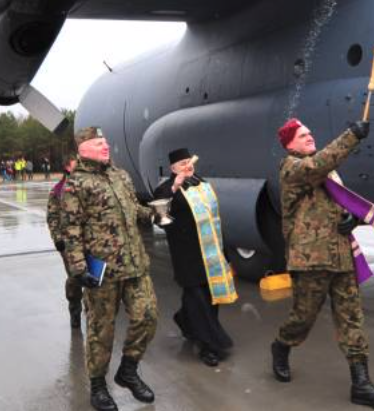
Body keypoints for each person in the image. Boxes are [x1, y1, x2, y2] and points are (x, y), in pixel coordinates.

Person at [270, 118, 374, 410]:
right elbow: (318, 165)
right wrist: (352, 135)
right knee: (303, 318)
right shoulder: (292, 168)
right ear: (289, 144)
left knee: (352, 318)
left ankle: (361, 385)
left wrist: (350, 217)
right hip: (310, 260)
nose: (309, 136)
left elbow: (336, 202)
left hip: (340, 256)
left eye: (311, 132)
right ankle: (281, 345)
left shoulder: (328, 172)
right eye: (303, 135)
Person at [60, 127, 158, 411]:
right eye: (98, 142)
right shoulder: (76, 184)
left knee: (148, 316)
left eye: (106, 141)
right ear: (83, 149)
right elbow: (71, 230)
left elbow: (135, 209)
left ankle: (128, 370)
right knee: (101, 330)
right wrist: (79, 269)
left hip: (135, 263)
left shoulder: (120, 175)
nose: (106, 146)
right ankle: (98, 386)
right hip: (102, 271)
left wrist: (155, 214)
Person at [153, 148, 236, 367]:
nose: (187, 166)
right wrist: (175, 186)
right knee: (197, 297)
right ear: (173, 169)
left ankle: (185, 320)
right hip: (186, 255)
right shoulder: (165, 188)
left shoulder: (202, 184)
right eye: (182, 164)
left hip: (211, 253)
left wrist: (224, 252)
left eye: (189, 162)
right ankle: (209, 346)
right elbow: (158, 218)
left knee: (209, 298)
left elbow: (214, 219)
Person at [47, 155, 83, 329]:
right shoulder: (58, 190)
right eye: (77, 164)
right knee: (75, 278)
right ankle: (75, 310)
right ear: (68, 168)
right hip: (68, 243)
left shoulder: (87, 186)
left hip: (90, 240)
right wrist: (57, 239)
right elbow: (52, 217)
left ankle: (93, 314)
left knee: (95, 279)